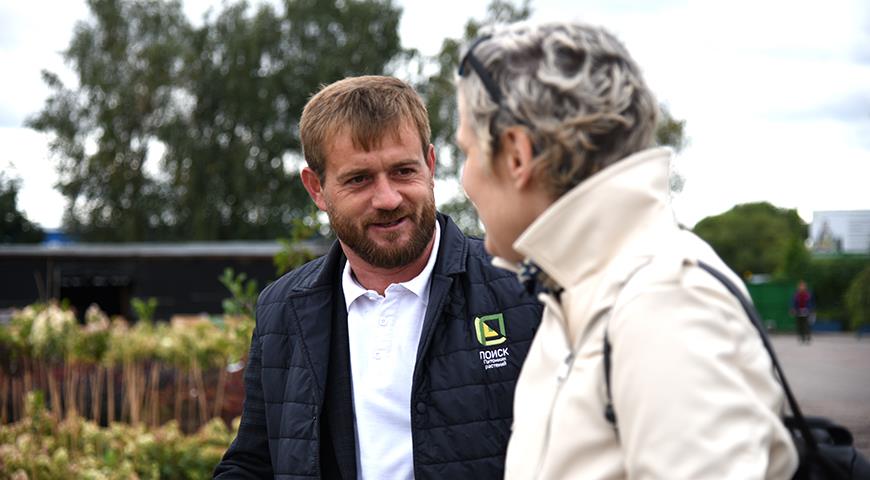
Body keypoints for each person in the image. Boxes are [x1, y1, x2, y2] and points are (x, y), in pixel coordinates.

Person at [455, 22, 798, 479]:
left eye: (468, 151)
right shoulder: (579, 291)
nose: (464, 177)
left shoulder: (666, 301)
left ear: (517, 154)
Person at [213, 76, 542, 479]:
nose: (387, 199)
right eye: (359, 179)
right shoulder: (282, 311)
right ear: (316, 188)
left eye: (403, 171)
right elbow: (254, 463)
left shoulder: (523, 288)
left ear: (431, 165)